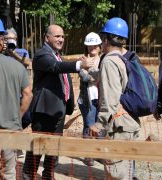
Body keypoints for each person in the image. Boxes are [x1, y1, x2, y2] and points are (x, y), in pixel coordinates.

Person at [22, 24, 93, 179]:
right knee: (39, 144)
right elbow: (56, 67)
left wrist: (69, 103)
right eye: (57, 36)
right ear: (47, 38)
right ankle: (29, 173)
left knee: (54, 147)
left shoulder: (57, 55)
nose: (61, 39)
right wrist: (79, 64)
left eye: (62, 36)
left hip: (58, 109)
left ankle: (48, 174)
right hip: (44, 109)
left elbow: (63, 75)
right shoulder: (42, 55)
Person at [89, 17, 141, 180]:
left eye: (102, 38)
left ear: (106, 39)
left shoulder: (109, 61)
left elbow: (110, 99)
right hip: (129, 123)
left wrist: (100, 123)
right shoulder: (123, 59)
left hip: (118, 127)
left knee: (117, 173)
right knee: (126, 171)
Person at [0, 14, 32, 180]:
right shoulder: (16, 66)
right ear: (0, 39)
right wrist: (16, 118)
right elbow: (27, 94)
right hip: (12, 133)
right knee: (10, 174)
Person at [78, 32, 102, 166]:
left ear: (99, 46)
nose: (92, 47)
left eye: (94, 45)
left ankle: (97, 153)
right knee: (88, 126)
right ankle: (88, 154)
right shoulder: (82, 60)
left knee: (100, 126)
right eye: (89, 45)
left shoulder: (104, 59)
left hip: (101, 99)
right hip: (87, 99)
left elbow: (101, 77)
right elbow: (84, 77)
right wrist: (94, 76)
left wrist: (90, 75)